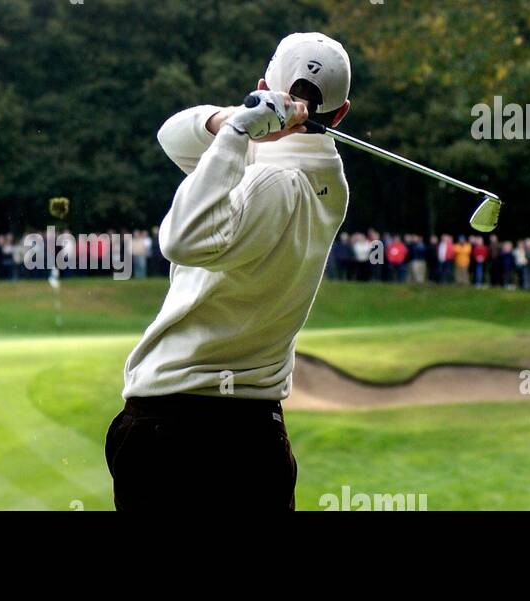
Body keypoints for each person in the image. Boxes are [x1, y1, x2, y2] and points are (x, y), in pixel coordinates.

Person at [109, 32, 352, 511]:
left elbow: (179, 238)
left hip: (175, 431)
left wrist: (239, 131)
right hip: (256, 437)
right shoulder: (328, 183)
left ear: (264, 85)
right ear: (340, 114)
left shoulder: (269, 179)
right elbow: (173, 136)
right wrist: (227, 123)